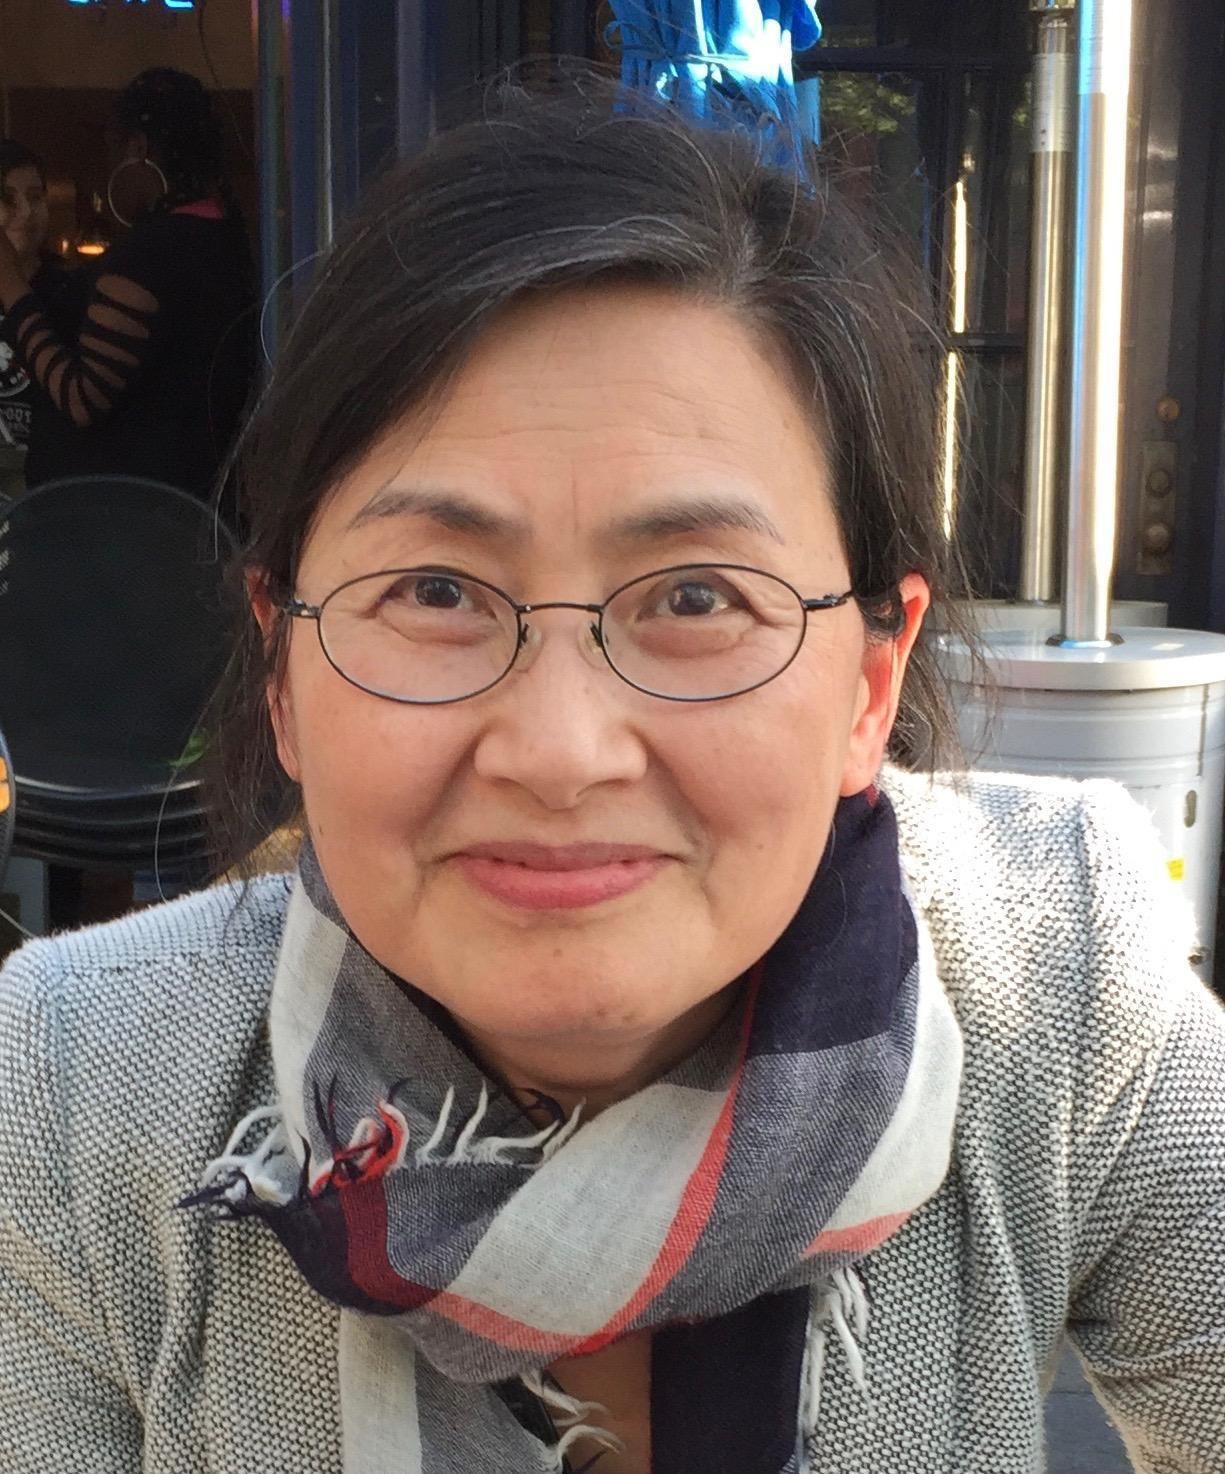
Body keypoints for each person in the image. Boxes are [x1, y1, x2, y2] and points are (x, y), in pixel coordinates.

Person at [1, 80, 1222, 1474]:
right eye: (436, 590)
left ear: (868, 687)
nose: (561, 751)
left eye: (698, 597)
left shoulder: (1056, 978)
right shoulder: (74, 1083)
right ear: (282, 673)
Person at [0, 69, 255, 503]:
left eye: (112, 152)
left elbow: (83, 397)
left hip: (125, 516)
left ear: (137, 149)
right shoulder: (220, 237)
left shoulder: (152, 255)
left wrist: (10, 286)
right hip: (187, 501)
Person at [0, 141, 73, 476]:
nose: (27, 212)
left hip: (48, 483)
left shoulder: (71, 291)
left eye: (35, 197)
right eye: (8, 199)